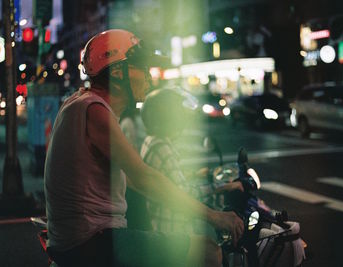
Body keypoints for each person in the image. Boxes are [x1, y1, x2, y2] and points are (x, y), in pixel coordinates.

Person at [44, 29, 244, 267]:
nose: (151, 77)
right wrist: (213, 216)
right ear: (118, 73)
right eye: (142, 68)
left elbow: (130, 180)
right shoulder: (95, 110)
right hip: (91, 241)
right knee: (207, 251)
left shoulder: (79, 103)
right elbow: (143, 177)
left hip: (79, 239)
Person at [140, 88, 244, 236]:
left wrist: (194, 174)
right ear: (165, 118)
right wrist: (222, 187)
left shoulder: (151, 141)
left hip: (162, 221)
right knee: (215, 251)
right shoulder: (162, 148)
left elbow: (167, 179)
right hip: (173, 230)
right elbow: (186, 194)